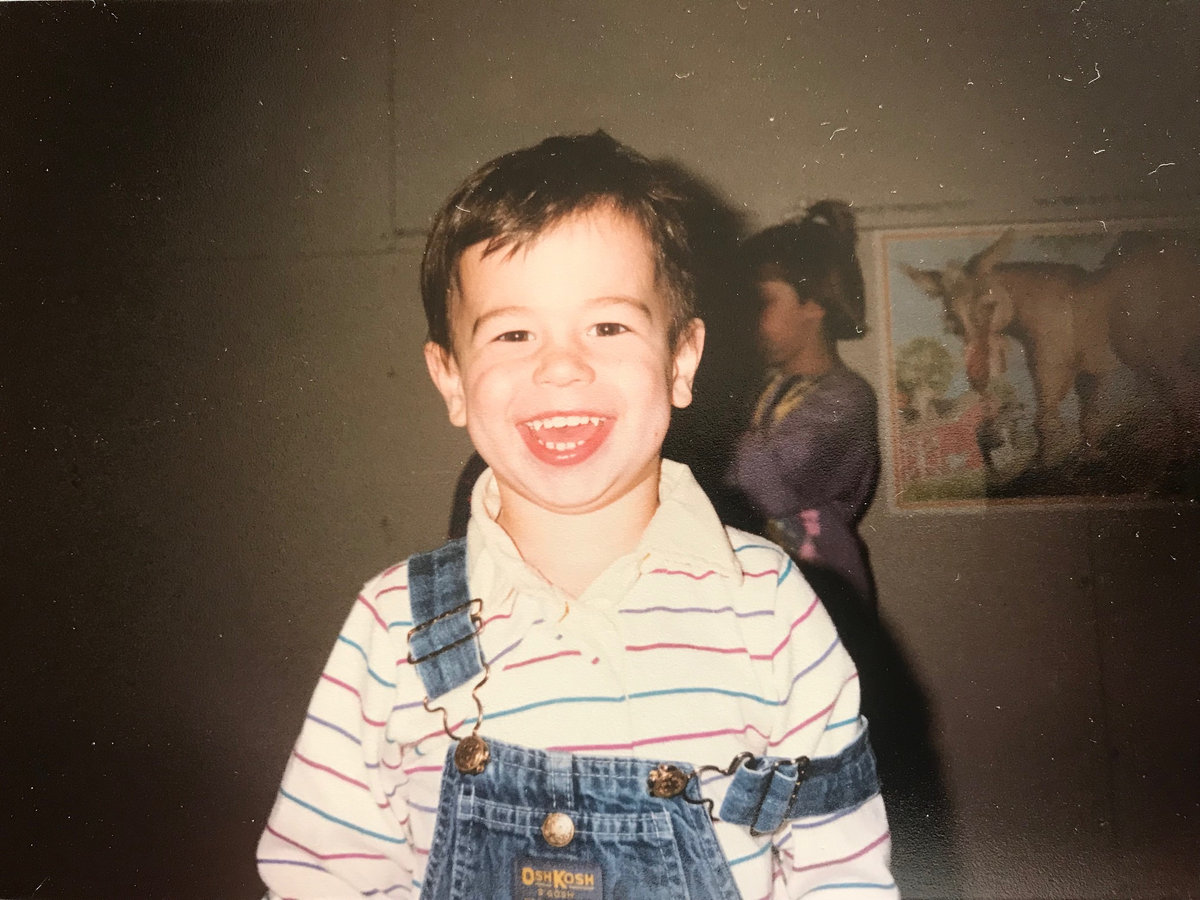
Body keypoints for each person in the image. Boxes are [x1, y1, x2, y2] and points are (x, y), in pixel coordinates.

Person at [256, 134, 896, 898]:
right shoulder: (391, 625)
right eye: (514, 333)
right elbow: (319, 879)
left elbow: (843, 876)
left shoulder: (773, 612)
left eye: (608, 327)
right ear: (451, 378)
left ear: (681, 359)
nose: (560, 365)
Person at [726, 202, 881, 667]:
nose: (745, 320)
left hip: (819, 587)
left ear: (813, 304)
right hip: (757, 583)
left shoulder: (847, 398)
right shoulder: (762, 387)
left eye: (761, 304)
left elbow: (769, 484)